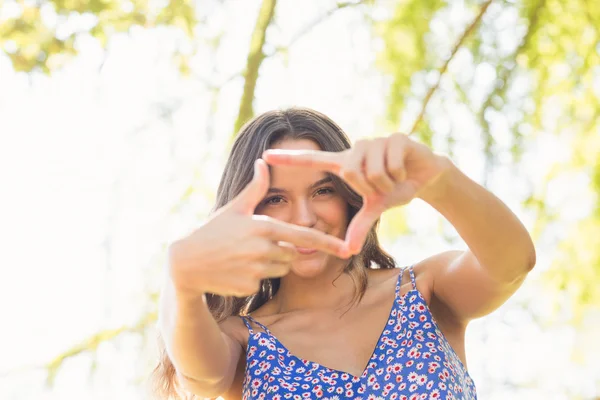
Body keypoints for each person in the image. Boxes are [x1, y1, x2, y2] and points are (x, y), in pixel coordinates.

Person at [152, 107, 536, 400]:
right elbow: (200, 376)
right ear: (246, 210)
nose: (304, 218)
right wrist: (181, 281)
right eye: (275, 198)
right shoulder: (243, 341)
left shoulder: (425, 290)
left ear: (350, 194)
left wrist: (437, 178)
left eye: (323, 191)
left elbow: (512, 264)